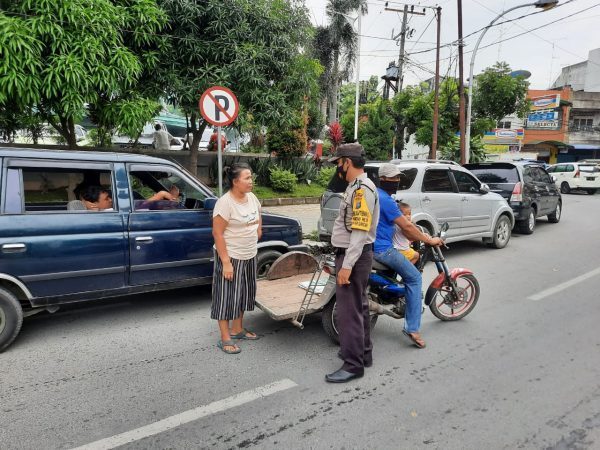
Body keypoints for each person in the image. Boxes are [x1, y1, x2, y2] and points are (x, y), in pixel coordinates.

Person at [373, 164, 443, 349]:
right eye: (394, 178)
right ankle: (412, 328)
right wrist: (429, 239)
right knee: (414, 278)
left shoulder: (374, 194)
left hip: (367, 246)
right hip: (382, 249)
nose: (397, 181)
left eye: (398, 178)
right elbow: (408, 227)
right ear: (385, 179)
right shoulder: (387, 200)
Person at [326, 143, 379, 383]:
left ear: (348, 162)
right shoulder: (356, 186)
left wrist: (346, 266)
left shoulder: (361, 189)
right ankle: (363, 354)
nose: (338, 168)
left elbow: (359, 231)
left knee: (349, 312)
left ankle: (353, 364)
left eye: (339, 163)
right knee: (360, 306)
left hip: (353, 257)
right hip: (355, 255)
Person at [211, 163, 262, 354]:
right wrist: (225, 262)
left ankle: (238, 329)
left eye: (251, 177)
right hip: (231, 256)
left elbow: (258, 211)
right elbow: (217, 233)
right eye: (247, 178)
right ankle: (225, 338)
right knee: (225, 297)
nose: (251, 181)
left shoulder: (252, 197)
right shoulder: (225, 203)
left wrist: (258, 229)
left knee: (243, 293)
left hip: (250, 254)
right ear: (235, 181)